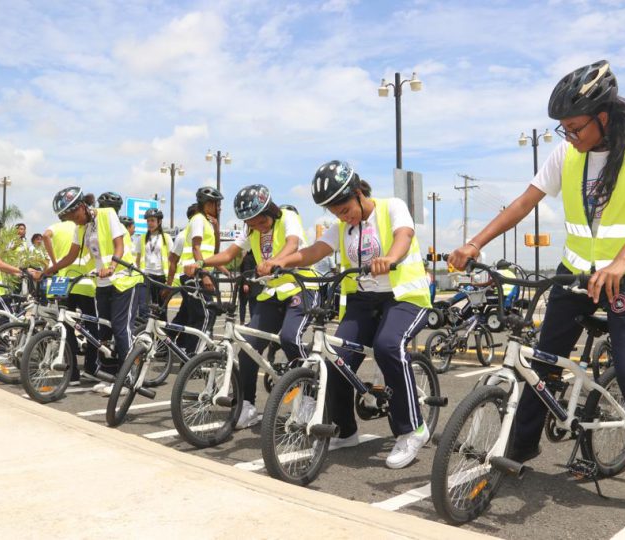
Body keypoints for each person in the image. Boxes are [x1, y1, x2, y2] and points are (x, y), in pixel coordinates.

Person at [447, 60, 625, 521]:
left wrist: (620, 263)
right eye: (564, 129)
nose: (569, 136)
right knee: (542, 362)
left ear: (603, 118)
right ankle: (522, 445)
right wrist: (475, 242)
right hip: (574, 276)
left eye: (575, 128)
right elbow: (523, 203)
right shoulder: (566, 156)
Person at [267, 161, 432, 469]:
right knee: (335, 360)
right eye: (335, 213)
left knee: (387, 346)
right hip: (362, 300)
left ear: (358, 193)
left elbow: (404, 236)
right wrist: (282, 263)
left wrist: (390, 258)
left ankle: (412, 429)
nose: (342, 216)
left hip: (404, 297)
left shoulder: (391, 207)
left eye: (344, 209)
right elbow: (315, 251)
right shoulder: (342, 228)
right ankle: (346, 430)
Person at [186, 185, 317, 429]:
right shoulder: (251, 231)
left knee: (290, 337)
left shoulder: (288, 217)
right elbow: (228, 254)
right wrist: (201, 263)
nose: (256, 227)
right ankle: (246, 405)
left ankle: (309, 397)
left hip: (301, 288)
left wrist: (275, 262)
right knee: (247, 344)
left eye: (259, 221)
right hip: (273, 292)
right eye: (251, 224)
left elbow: (292, 243)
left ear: (270, 210)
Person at [43, 187, 142, 395]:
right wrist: (46, 272)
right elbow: (70, 257)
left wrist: (113, 267)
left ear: (82, 207)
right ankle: (109, 375)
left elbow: (118, 245)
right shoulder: (81, 228)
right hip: (102, 284)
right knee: (104, 331)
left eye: (73, 214)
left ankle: (128, 378)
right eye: (67, 217)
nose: (72, 220)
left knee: (121, 329)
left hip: (124, 280)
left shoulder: (107, 214)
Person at [167, 187, 224, 355]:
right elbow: (196, 248)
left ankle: (189, 353)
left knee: (195, 316)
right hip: (196, 274)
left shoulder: (205, 221)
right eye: (217, 204)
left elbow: (212, 252)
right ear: (208, 204)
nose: (219, 208)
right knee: (206, 315)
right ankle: (194, 356)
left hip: (196, 273)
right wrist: (205, 274)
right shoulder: (199, 219)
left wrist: (217, 229)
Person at [42, 214, 98, 384]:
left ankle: (72, 372)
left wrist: (53, 261)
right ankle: (91, 367)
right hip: (85, 281)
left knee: (65, 328)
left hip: (62, 279)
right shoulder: (84, 227)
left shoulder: (56, 227)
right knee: (91, 326)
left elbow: (45, 235)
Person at [136, 208, 173, 319]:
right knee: (144, 308)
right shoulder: (142, 238)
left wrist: (169, 281)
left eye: (152, 220)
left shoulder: (166, 238)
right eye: (148, 221)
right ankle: (145, 334)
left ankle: (161, 334)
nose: (150, 223)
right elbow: (138, 259)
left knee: (161, 309)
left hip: (161, 277)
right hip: (146, 276)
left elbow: (171, 259)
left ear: (159, 222)